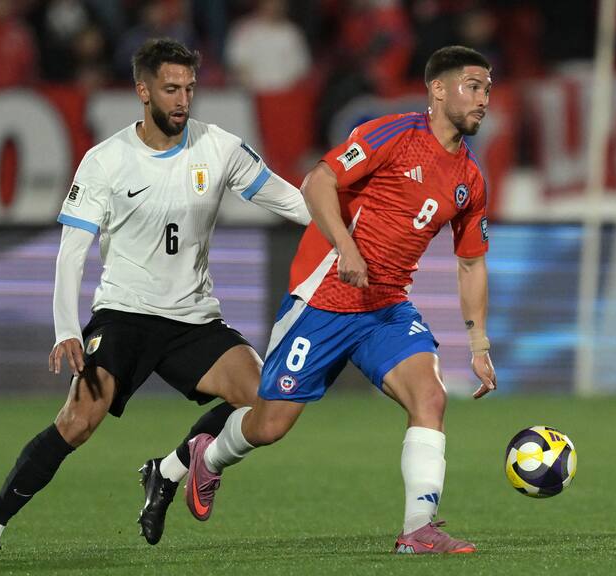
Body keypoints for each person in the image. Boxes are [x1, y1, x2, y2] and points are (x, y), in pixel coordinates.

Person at [0, 37, 310, 557]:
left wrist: (348, 222)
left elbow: (295, 203)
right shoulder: (106, 160)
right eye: (171, 89)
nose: (182, 100)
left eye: (189, 88)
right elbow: (71, 251)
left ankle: (168, 470)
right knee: (77, 422)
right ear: (143, 91)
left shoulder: (219, 147)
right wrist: (66, 329)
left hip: (193, 318)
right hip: (125, 314)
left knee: (265, 398)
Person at [184, 45, 497, 555]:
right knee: (269, 425)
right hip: (324, 299)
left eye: (487, 88)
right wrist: (346, 248)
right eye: (473, 86)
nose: (483, 99)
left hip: (386, 309)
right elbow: (318, 181)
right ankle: (209, 455)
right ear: (438, 89)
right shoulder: (393, 134)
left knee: (431, 397)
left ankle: (418, 529)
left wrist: (478, 344)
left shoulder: (470, 179)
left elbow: (471, 263)